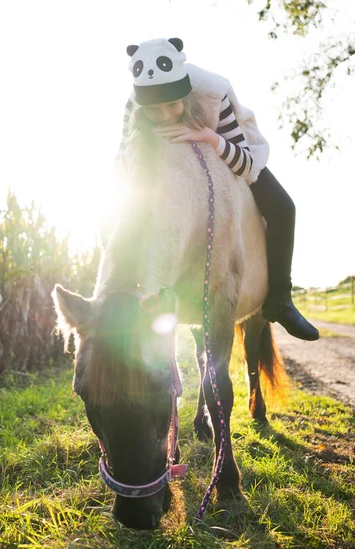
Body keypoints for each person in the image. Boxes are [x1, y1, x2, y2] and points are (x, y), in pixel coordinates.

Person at [117, 37, 319, 342]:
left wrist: (209, 137)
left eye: (172, 105)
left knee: (283, 207)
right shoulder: (134, 106)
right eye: (154, 111)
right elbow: (122, 163)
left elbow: (247, 163)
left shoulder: (213, 94)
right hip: (163, 164)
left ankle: (280, 299)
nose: (166, 115)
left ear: (184, 94)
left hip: (227, 143)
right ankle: (121, 295)